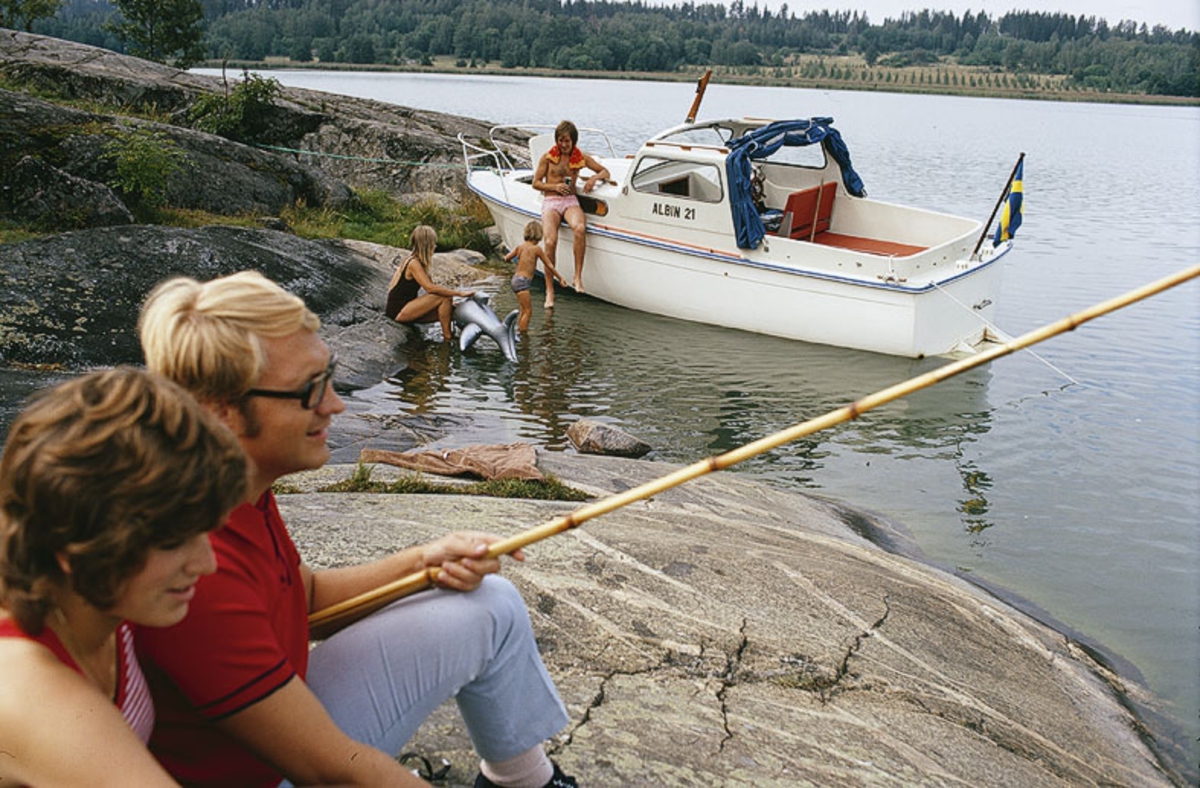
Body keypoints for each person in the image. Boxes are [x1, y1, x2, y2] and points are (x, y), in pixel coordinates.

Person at [136, 270, 576, 788]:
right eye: (309, 390)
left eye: (331, 375)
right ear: (222, 411)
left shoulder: (235, 488)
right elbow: (328, 770)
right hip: (268, 776)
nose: (335, 404)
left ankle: (526, 781)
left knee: (490, 603)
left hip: (280, 729)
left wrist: (424, 563)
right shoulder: (191, 563)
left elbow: (306, 600)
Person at [0, 367, 248, 787]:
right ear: (77, 544)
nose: (206, 564)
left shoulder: (101, 603)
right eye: (173, 542)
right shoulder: (31, 689)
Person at [533, 119, 609, 305]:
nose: (564, 144)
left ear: (573, 141)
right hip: (551, 201)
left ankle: (577, 277)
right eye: (560, 140)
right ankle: (550, 290)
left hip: (570, 201)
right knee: (550, 241)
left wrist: (593, 178)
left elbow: (605, 171)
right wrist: (555, 186)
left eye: (567, 141)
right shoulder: (547, 157)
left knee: (580, 228)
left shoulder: (580, 157)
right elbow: (536, 183)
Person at [386, 224, 476, 342]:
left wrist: (451, 305)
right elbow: (430, 289)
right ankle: (447, 338)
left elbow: (434, 290)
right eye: (433, 243)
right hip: (398, 311)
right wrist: (460, 293)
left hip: (408, 308)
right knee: (445, 297)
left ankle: (458, 336)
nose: (435, 246)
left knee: (452, 310)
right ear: (426, 245)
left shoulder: (420, 262)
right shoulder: (413, 263)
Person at [505, 220, 568, 335]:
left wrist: (513, 260)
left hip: (515, 280)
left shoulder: (520, 247)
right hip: (523, 282)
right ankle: (523, 335)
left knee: (523, 309)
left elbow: (507, 258)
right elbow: (549, 265)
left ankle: (519, 330)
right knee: (528, 311)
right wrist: (560, 278)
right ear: (539, 234)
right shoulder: (536, 249)